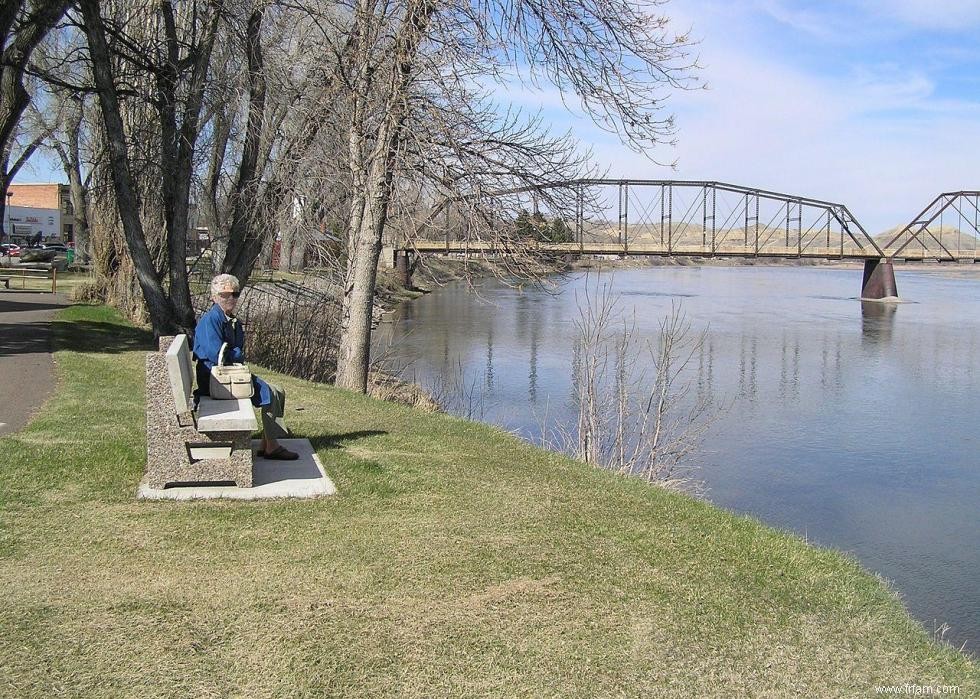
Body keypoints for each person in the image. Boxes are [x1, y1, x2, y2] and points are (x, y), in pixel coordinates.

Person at [193, 273, 298, 460]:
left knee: (278, 390)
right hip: (214, 380)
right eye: (225, 295)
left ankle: (268, 443)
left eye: (235, 294)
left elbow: (232, 350)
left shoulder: (229, 320)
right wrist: (238, 355)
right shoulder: (211, 320)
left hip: (228, 376)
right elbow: (216, 354)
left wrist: (236, 353)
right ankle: (272, 447)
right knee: (269, 393)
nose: (231, 298)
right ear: (214, 296)